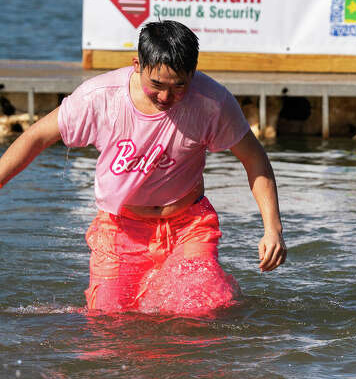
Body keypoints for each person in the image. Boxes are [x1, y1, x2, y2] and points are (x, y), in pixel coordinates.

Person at [0, 20, 286, 315]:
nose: (166, 97)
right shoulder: (100, 96)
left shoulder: (213, 101)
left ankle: (213, 286)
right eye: (157, 85)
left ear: (194, 72)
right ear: (137, 64)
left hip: (188, 224)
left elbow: (255, 159)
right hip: (119, 228)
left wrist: (273, 229)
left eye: (179, 87)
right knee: (109, 321)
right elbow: (35, 137)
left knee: (200, 312)